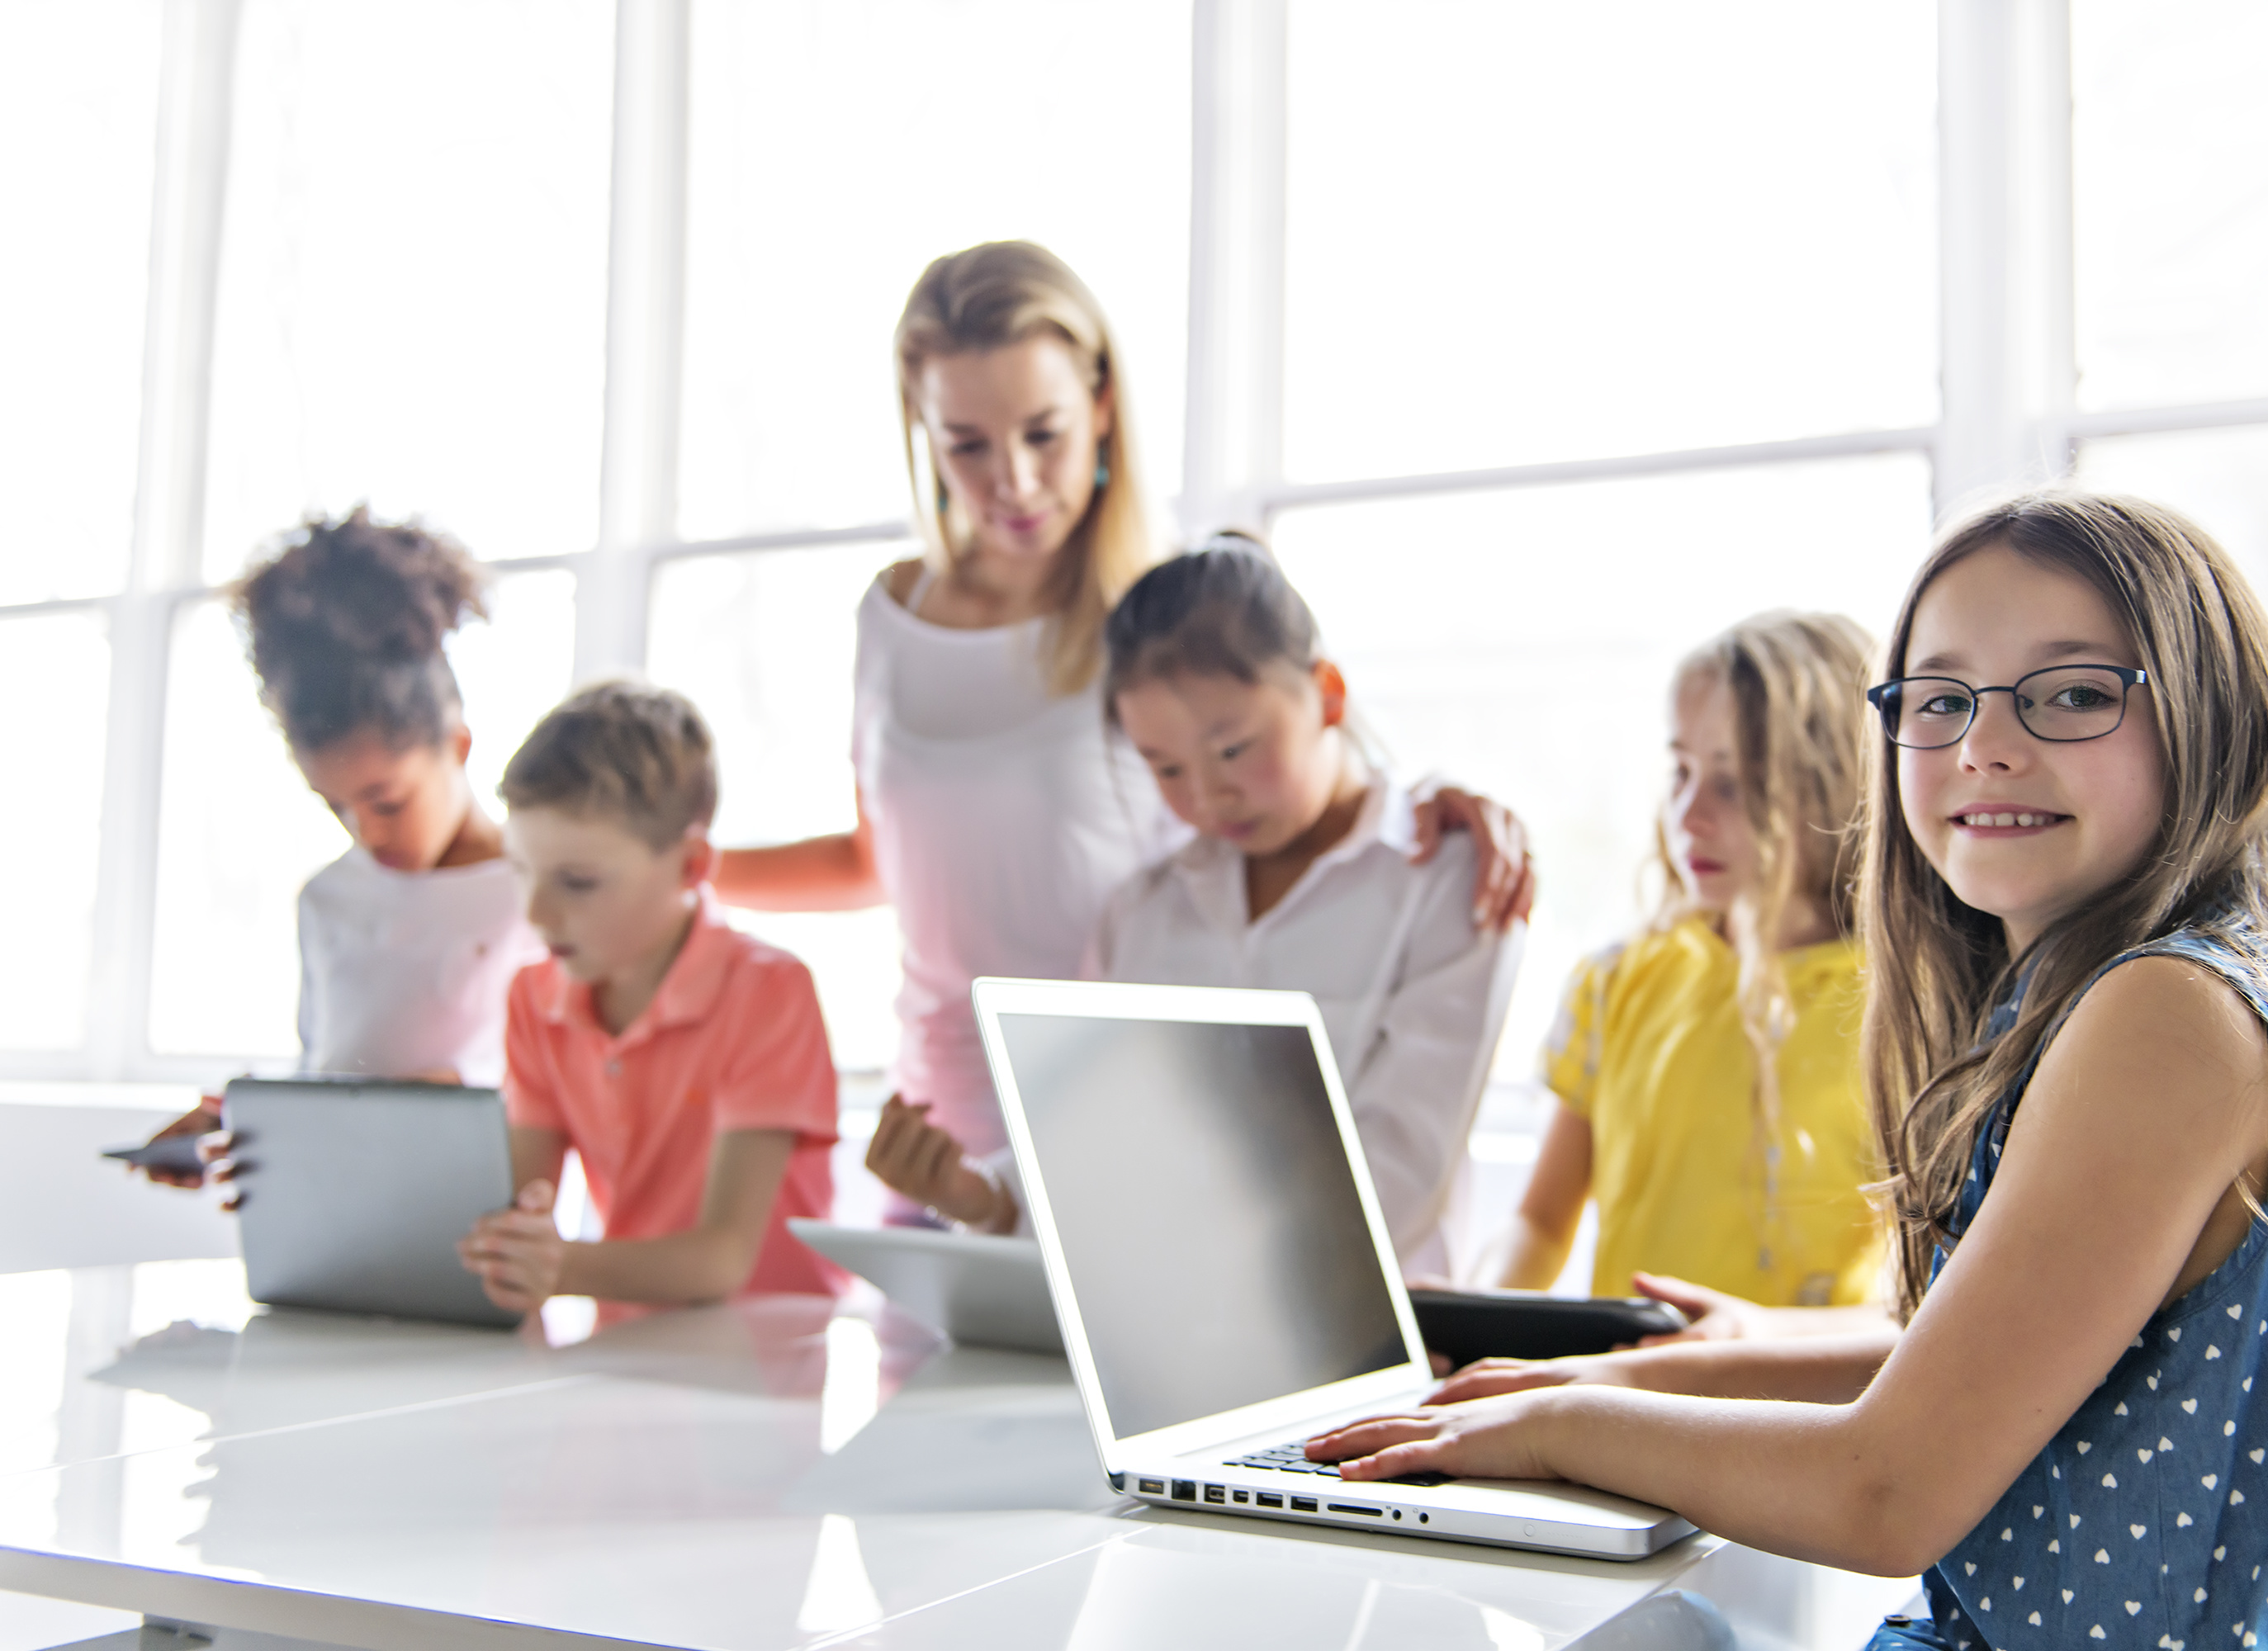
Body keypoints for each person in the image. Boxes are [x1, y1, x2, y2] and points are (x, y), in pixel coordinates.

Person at [1306, 490, 2268, 1649]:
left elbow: (1887, 1493)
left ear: (2216, 719)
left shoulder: (2164, 1015)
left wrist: (1562, 1425)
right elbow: (2003, 1357)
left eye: (2071, 693)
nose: (1985, 746)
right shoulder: (2200, 980)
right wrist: (1707, 1365)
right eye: (1941, 699)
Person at [711, 242, 1532, 1206]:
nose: (1011, 481)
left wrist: (1438, 802)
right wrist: (687, 867)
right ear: (920, 431)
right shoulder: (890, 614)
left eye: (1043, 433)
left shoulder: (1163, 607)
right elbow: (877, 859)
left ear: (1101, 405)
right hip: (941, 1121)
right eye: (966, 443)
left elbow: (1299, 757)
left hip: (1126, 1118)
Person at [865, 537, 1522, 1275]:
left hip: (1380, 1355)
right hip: (1164, 1347)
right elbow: (1092, 1143)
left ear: (1327, 695)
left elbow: (1398, 1177)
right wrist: (980, 1197)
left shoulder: (1449, 879)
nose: (1206, 797)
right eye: (1165, 767)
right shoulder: (1143, 915)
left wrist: (1166, 1237)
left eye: (1234, 749)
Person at [1472, 612, 1884, 1316]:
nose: (1689, 813)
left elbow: (1915, 1306)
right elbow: (1541, 1223)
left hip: (1803, 1417)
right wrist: (1477, 1313)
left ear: (1830, 786)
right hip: (1627, 1399)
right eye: (1682, 771)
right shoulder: (1617, 978)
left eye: (1734, 782)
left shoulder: (1901, 1007)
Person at [144, 509, 541, 1185]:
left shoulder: (541, 891)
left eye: (387, 801)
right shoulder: (327, 900)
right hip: (335, 1225)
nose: (367, 831)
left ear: (458, 746)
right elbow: (323, 1077)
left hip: (487, 1232)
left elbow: (573, 1098)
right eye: (336, 806)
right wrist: (241, 1129)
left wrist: (441, 1100)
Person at [457, 683, 840, 1310]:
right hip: (628, 1341)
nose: (536, 912)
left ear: (691, 867)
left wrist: (554, 1266)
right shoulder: (534, 997)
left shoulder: (769, 992)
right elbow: (518, 1208)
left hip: (773, 1352)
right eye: (520, 869)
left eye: (577, 882)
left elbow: (723, 1259)